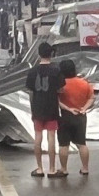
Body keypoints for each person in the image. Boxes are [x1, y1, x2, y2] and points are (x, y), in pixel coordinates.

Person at [24, 42, 66, 177]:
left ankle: (40, 168)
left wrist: (33, 107)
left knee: (38, 137)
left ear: (39, 54)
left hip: (37, 108)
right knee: (51, 137)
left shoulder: (32, 71)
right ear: (51, 54)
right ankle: (52, 169)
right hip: (51, 107)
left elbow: (30, 91)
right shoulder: (56, 70)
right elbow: (61, 89)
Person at [56, 59, 94, 177]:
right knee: (82, 144)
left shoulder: (60, 84)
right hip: (80, 115)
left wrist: (68, 108)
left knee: (64, 145)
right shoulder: (84, 83)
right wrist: (84, 108)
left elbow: (56, 101)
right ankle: (85, 168)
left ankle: (63, 169)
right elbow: (91, 98)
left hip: (65, 116)